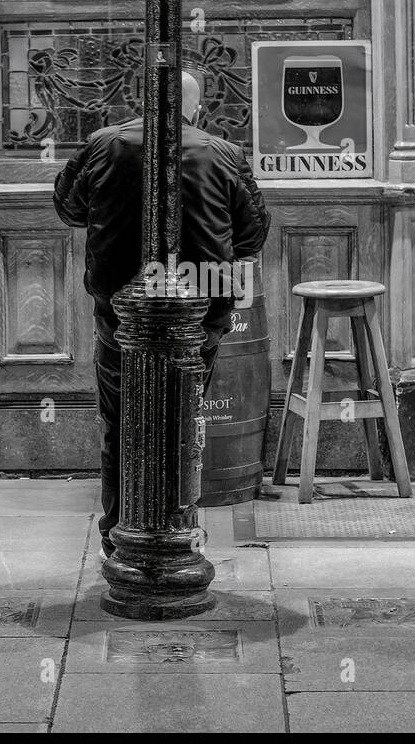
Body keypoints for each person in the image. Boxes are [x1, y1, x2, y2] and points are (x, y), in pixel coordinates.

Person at [53, 70, 271, 561]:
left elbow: (68, 208)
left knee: (120, 421)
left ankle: (118, 530)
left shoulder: (102, 144)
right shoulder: (224, 153)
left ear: (141, 101)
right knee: (185, 416)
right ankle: (179, 525)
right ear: (194, 108)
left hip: (119, 308)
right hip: (201, 308)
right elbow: (253, 233)